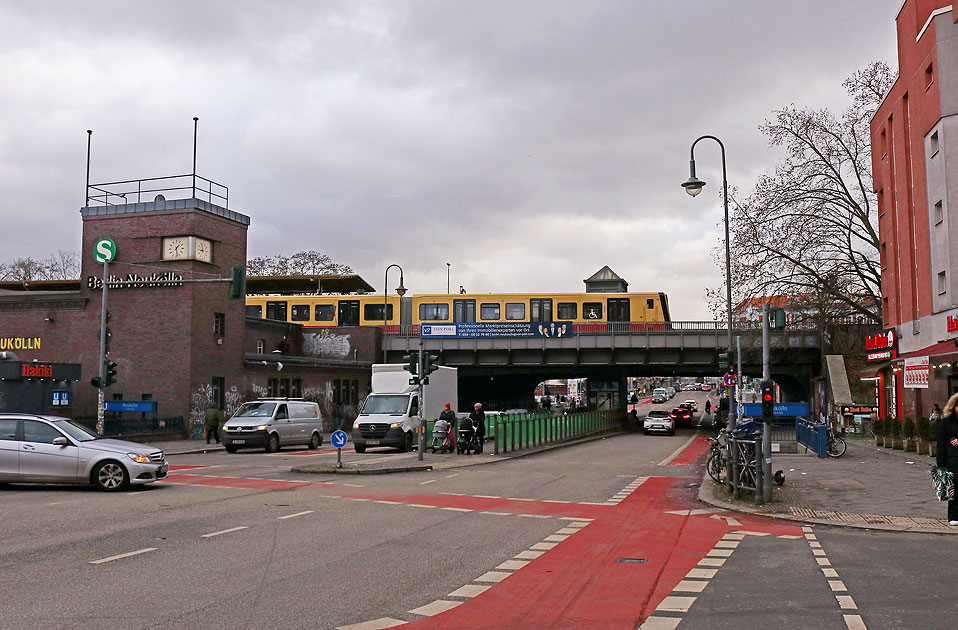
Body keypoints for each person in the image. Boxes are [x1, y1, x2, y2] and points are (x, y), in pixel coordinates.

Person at [937, 393, 958, 525]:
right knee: (953, 488)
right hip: (952, 459)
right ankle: (954, 516)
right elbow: (941, 441)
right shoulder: (947, 421)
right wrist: (941, 462)